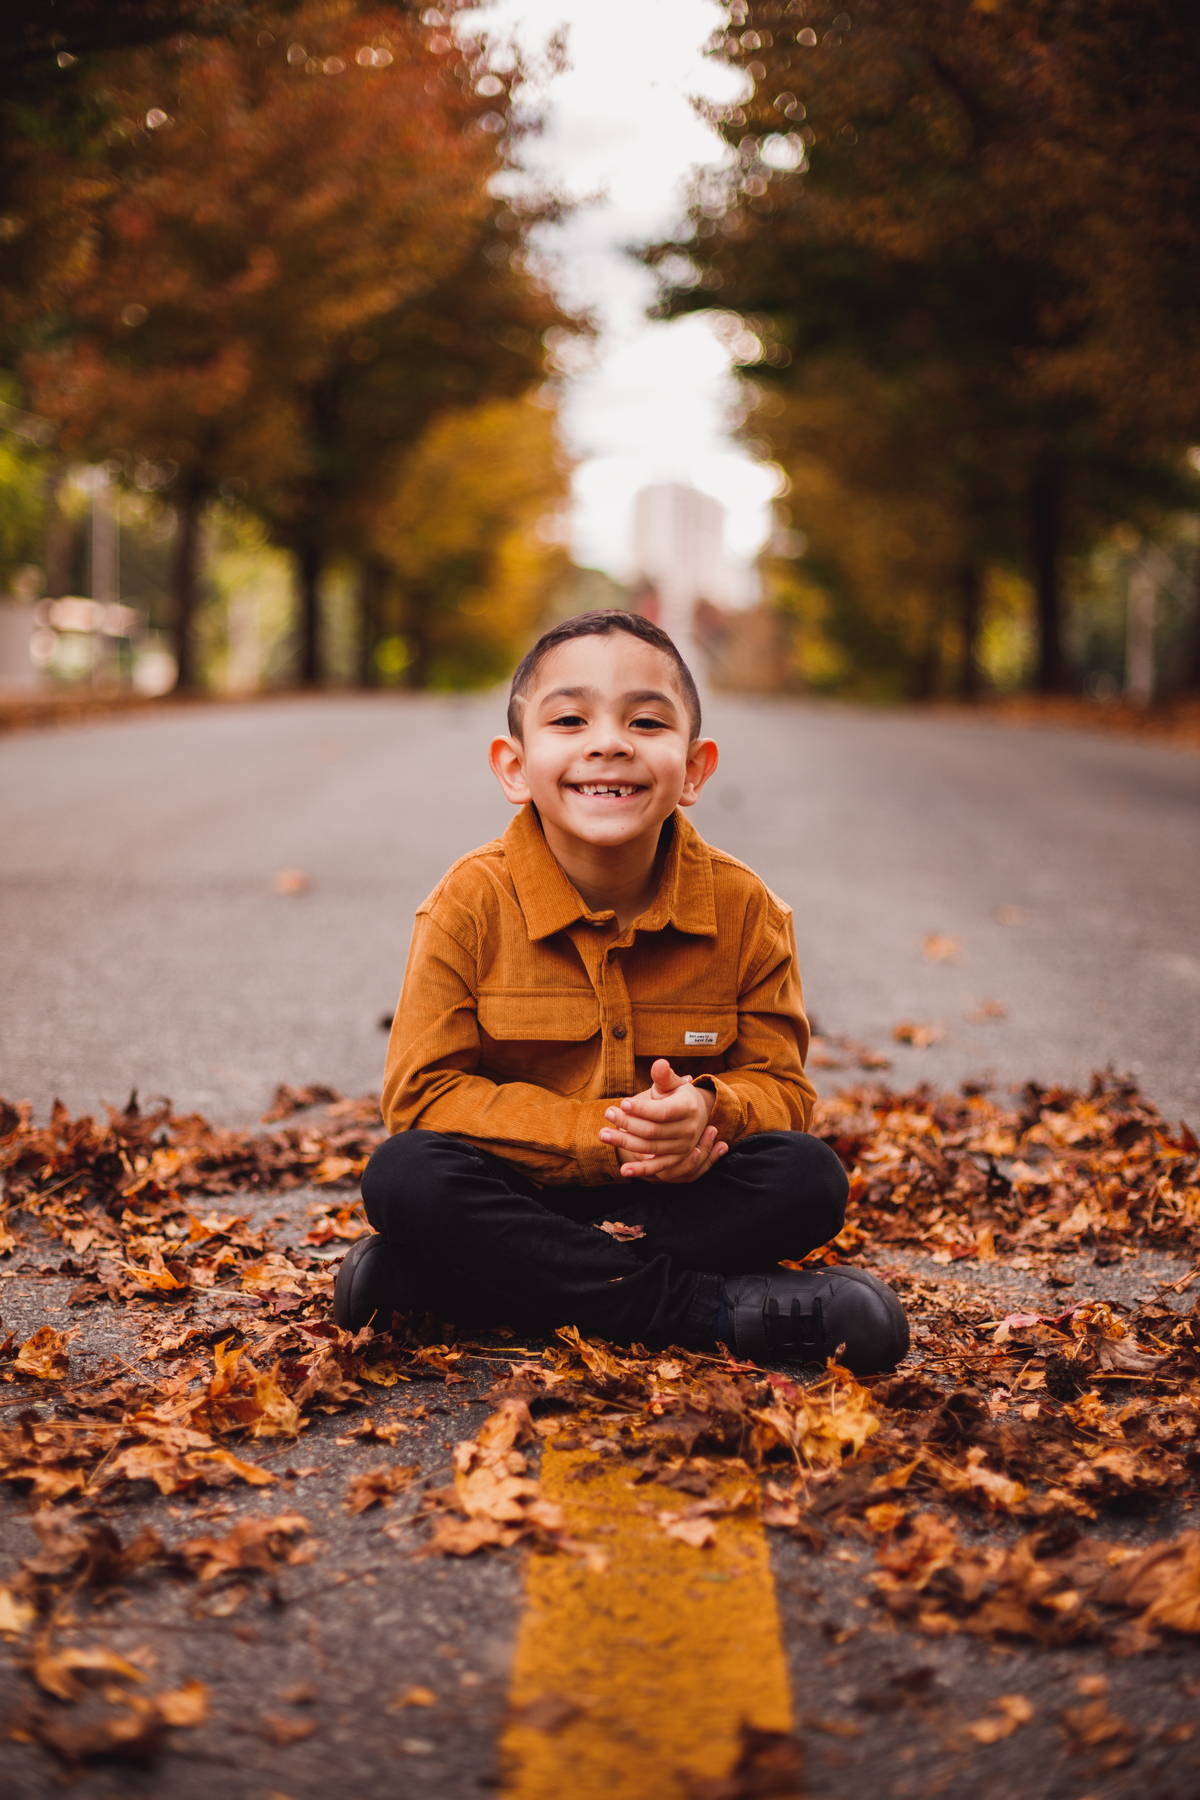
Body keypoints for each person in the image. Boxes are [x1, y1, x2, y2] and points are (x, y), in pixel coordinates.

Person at [335, 610, 908, 1372]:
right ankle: (707, 1311)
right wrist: (603, 1133)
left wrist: (708, 1109)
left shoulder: (746, 910)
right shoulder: (469, 903)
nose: (608, 742)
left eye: (645, 720)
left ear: (696, 769)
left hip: (674, 1203)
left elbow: (782, 1089)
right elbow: (423, 1096)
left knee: (807, 1177)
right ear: (514, 766)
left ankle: (454, 1287)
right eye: (570, 719)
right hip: (516, 1196)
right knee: (405, 1176)